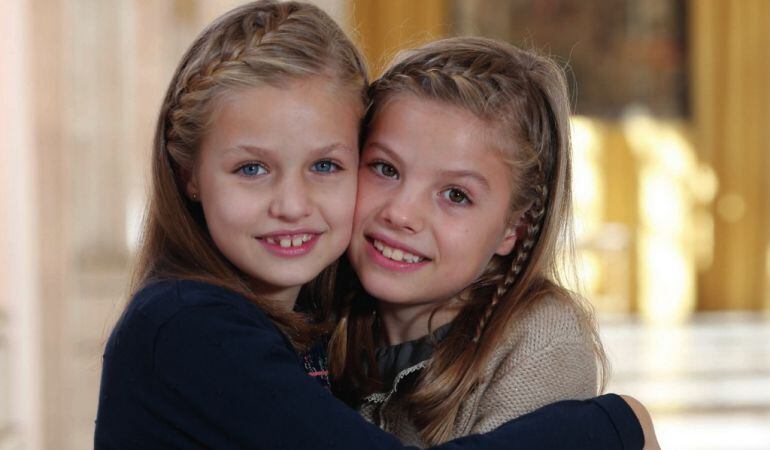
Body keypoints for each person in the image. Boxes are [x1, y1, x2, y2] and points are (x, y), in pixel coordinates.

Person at [94, 1, 655, 449]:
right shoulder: (191, 327)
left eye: (324, 165)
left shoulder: (306, 314)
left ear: (515, 227)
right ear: (189, 174)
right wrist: (617, 424)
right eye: (252, 168)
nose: (292, 204)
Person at [329, 36, 613, 447]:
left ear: (513, 228)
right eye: (385, 168)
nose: (401, 213)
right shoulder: (320, 305)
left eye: (456, 195)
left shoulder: (543, 344)